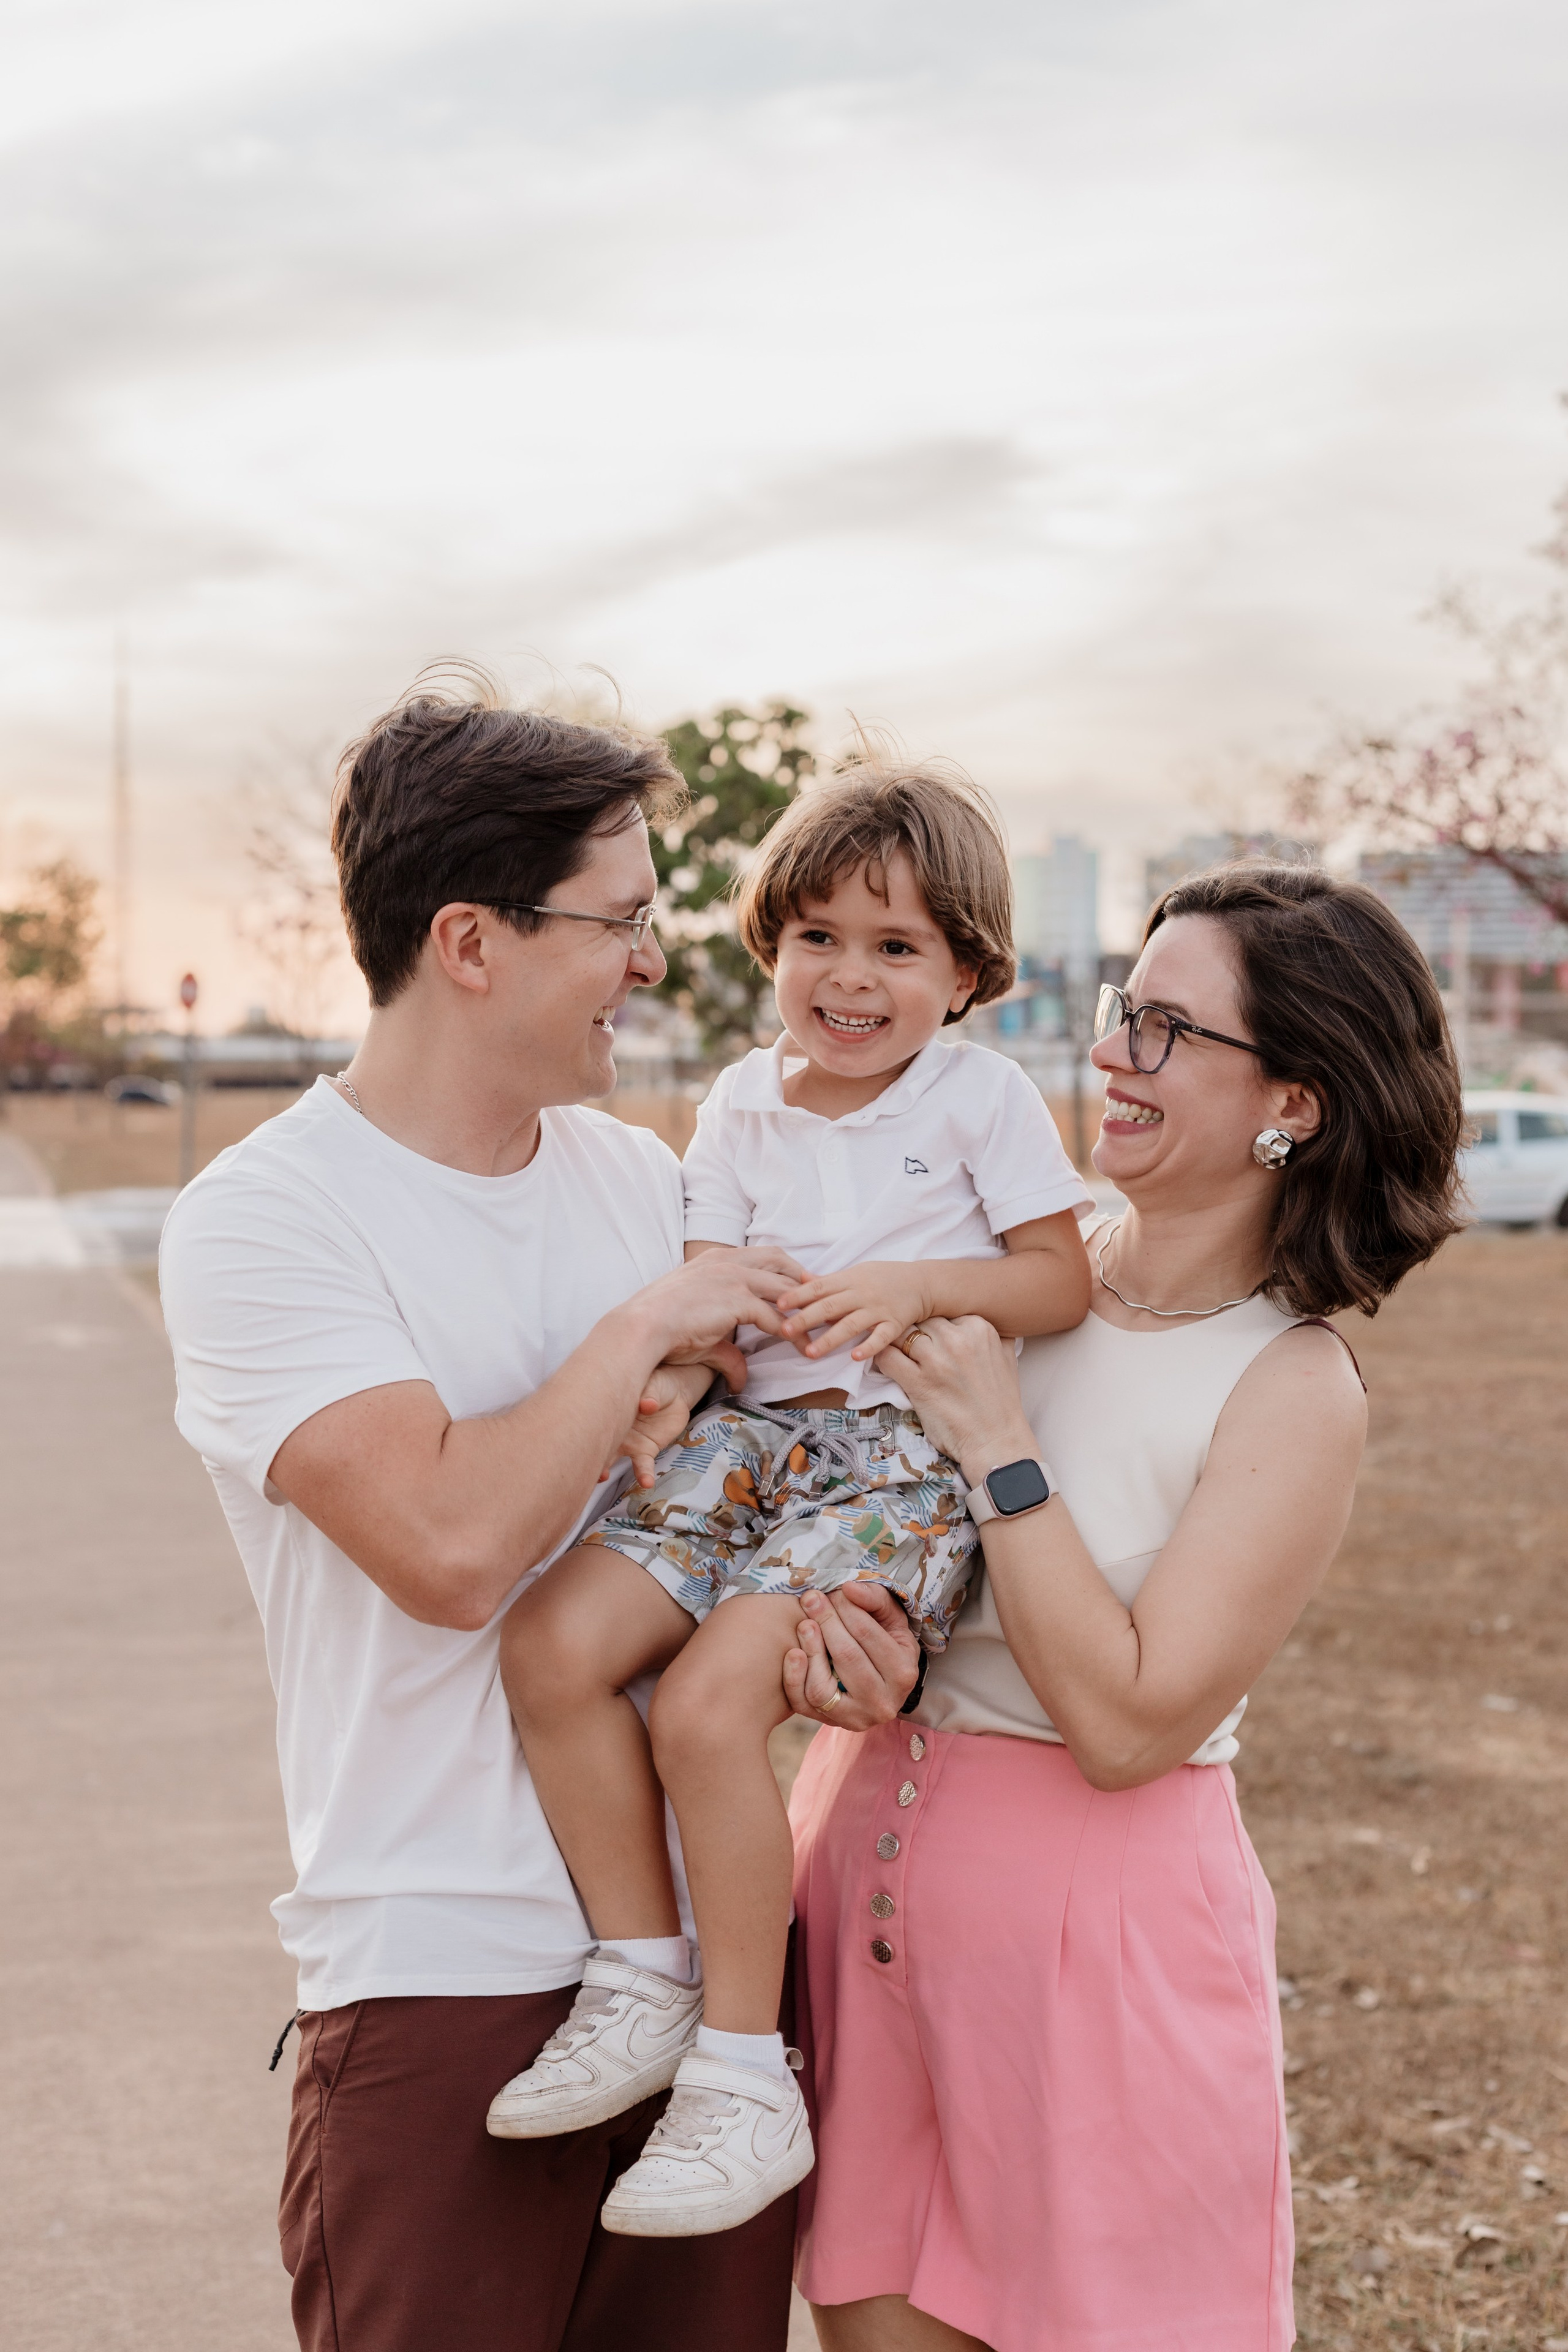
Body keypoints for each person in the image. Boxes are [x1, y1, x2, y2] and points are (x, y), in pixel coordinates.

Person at [158, 677, 918, 2352]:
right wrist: (643, 1330)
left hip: (715, 2008)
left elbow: (771, 1490)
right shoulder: (265, 1222)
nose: (654, 963)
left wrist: (831, 1634)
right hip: (444, 1977)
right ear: (471, 942)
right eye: (622, 919)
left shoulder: (650, 1186)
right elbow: (447, 1553)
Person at [788, 862, 1468, 2352]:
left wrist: (998, 1449)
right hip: (858, 1899)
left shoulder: (1289, 1385)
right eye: (1119, 1010)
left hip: (1102, 1963)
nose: (1106, 1052)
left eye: (1163, 1028)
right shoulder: (1015, 1279)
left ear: (1291, 1099)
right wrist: (852, 1656)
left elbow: (1126, 1723)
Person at [491, 764, 1091, 2237]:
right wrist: (675, 1384)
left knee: (703, 1710)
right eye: (817, 935)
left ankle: (742, 2074)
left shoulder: (979, 1093)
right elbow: (708, 1303)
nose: (851, 976)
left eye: (898, 949)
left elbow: (1057, 1278)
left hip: (892, 1468)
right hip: (748, 1441)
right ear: (770, 945)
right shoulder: (741, 1102)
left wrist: (914, 1286)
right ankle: (640, 1971)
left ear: (965, 974)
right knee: (553, 1647)